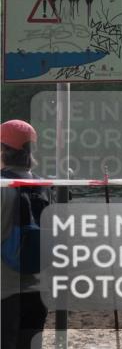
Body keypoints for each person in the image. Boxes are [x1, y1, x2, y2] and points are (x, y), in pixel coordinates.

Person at [1, 120, 49, 349]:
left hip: (5, 290)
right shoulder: (47, 186)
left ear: (3, 150)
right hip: (39, 288)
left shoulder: (3, 187)